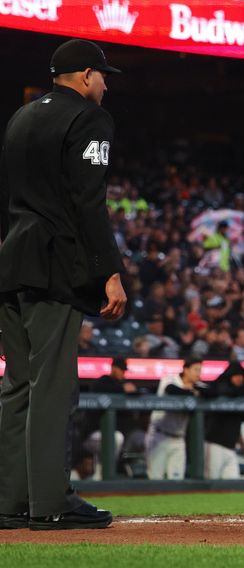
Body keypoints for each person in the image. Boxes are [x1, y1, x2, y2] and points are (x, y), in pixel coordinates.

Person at [0, 39, 126, 530]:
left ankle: (10, 502)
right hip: (53, 266)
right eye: (103, 75)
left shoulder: (21, 116)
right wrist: (108, 271)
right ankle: (52, 502)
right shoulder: (90, 118)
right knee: (52, 387)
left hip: (11, 263)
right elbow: (88, 200)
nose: (106, 83)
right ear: (84, 76)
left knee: (17, 387)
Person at [145, 357, 206, 480]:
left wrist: (195, 390)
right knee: (155, 479)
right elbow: (171, 389)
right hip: (159, 435)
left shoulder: (198, 385)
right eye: (196, 370)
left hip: (178, 439)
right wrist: (192, 392)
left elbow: (213, 391)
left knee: (177, 480)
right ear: (186, 370)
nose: (199, 373)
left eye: (200, 370)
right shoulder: (170, 379)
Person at [204, 361, 244, 480]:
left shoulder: (241, 393)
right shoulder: (220, 387)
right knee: (211, 482)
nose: (239, 379)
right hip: (214, 445)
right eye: (236, 375)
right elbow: (214, 390)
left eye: (241, 376)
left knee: (233, 483)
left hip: (230, 447)